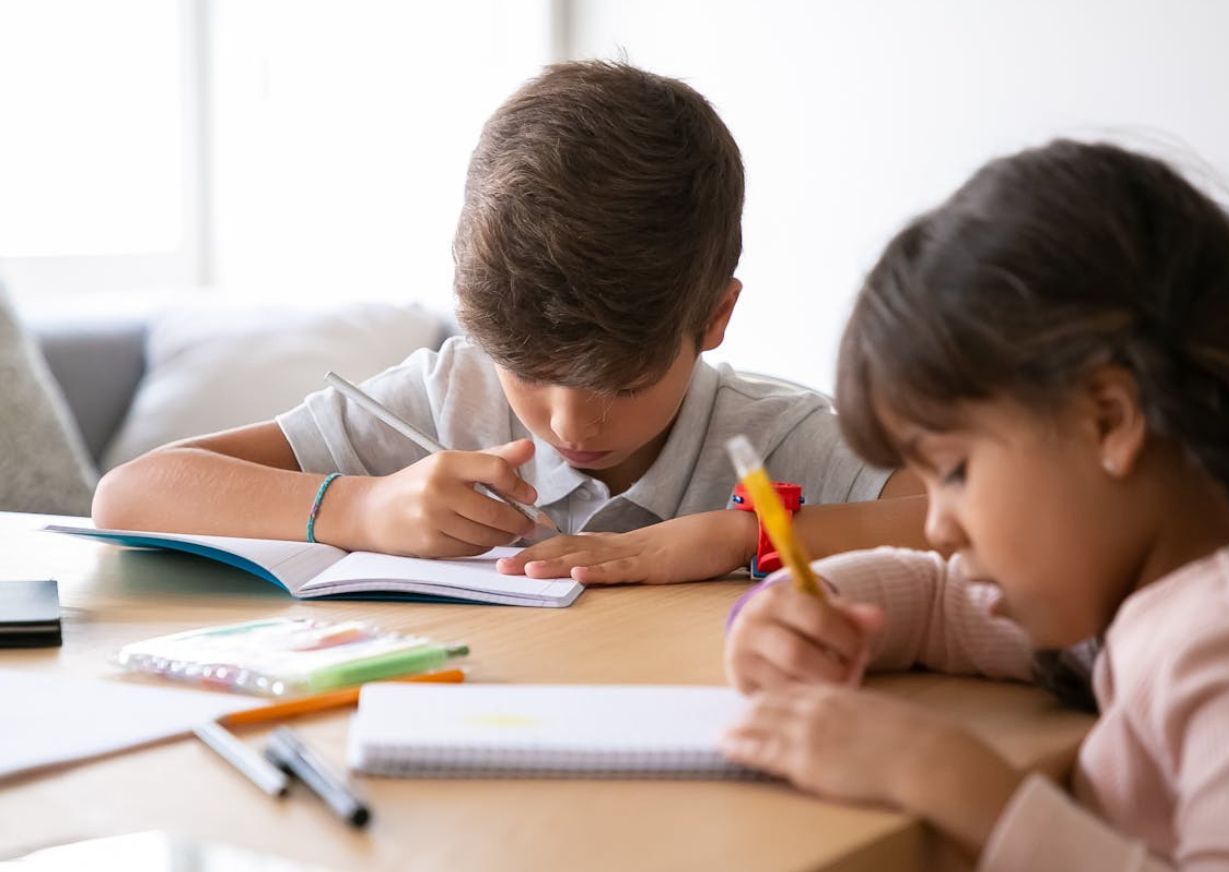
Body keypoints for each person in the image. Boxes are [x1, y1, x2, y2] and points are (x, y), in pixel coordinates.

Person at [721, 140, 1229, 869]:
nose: (936, 522)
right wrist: (804, 605)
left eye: (953, 471)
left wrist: (962, 786)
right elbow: (939, 602)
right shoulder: (1139, 595)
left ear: (1108, 421)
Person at [92, 61, 924, 584]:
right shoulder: (445, 402)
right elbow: (130, 495)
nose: (570, 424)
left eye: (623, 382)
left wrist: (735, 538)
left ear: (714, 318)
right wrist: (359, 508)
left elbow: (972, 527)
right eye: (526, 370)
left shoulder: (775, 438)